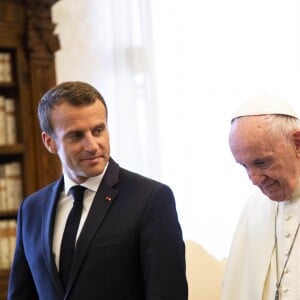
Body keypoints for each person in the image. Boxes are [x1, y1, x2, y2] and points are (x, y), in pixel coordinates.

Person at [8, 81, 188, 300]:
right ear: (50, 142)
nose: (92, 145)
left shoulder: (151, 199)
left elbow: (168, 294)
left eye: (98, 130)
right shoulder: (32, 208)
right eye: (76, 135)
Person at [221, 94, 300, 300]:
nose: (254, 180)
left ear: (297, 143)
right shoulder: (254, 209)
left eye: (262, 162)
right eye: (244, 166)